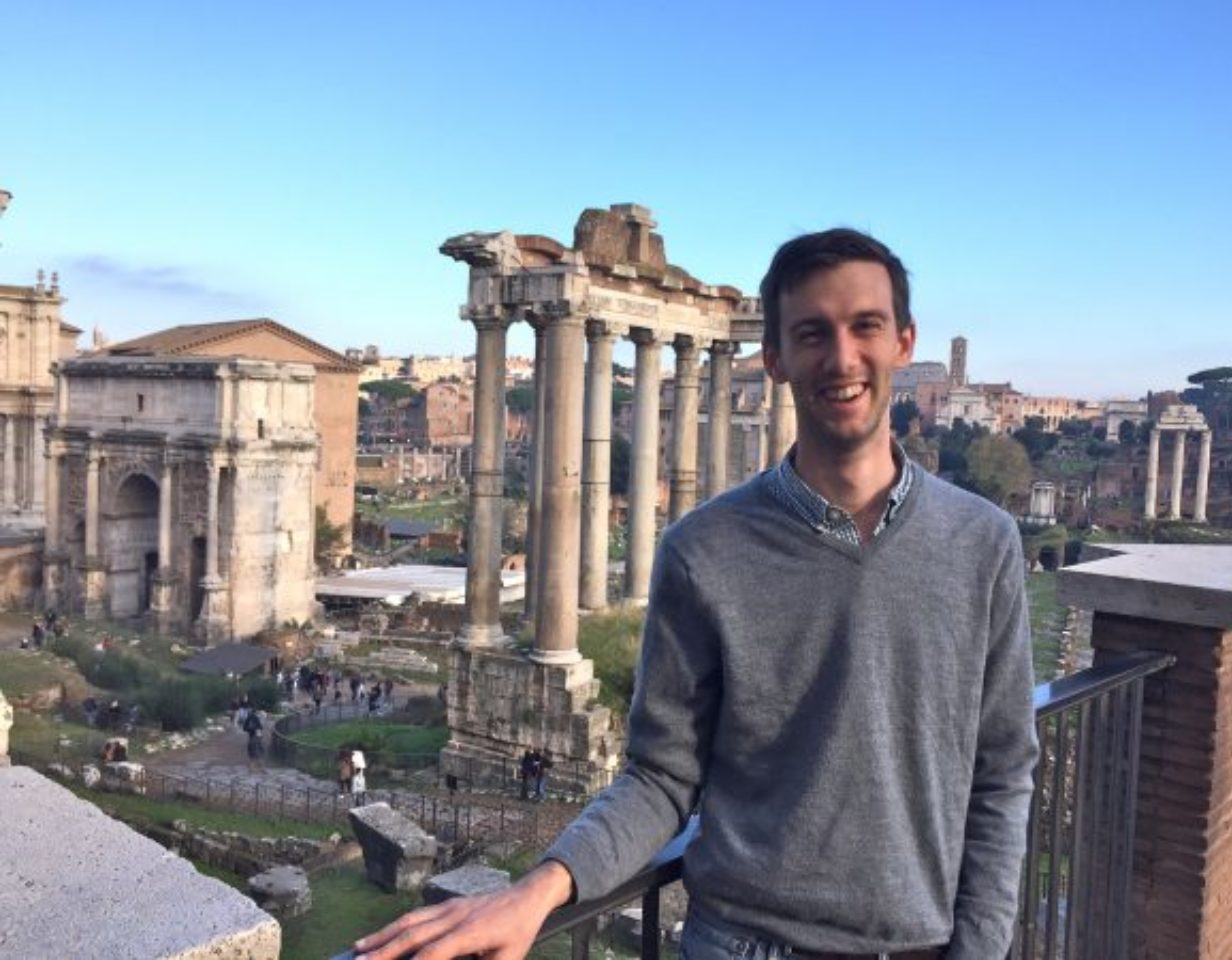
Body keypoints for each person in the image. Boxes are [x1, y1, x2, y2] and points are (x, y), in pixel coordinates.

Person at [353, 228, 1038, 960]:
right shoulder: (701, 551)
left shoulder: (984, 544)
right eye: (811, 334)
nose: (841, 358)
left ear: (903, 342)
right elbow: (661, 777)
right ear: (773, 359)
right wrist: (538, 890)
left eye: (864, 326)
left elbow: (1000, 777)